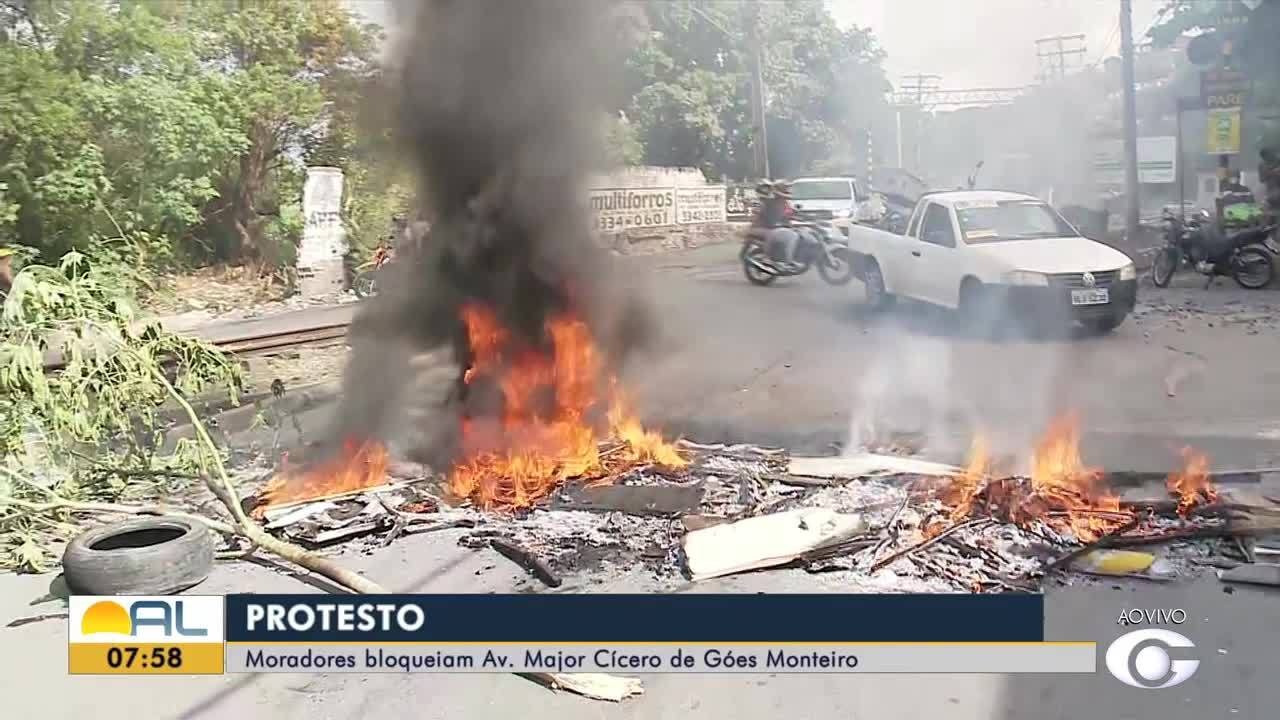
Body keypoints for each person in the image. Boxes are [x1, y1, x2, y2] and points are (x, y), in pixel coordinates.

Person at [751, 180, 799, 266]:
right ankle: (767, 258)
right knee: (773, 234)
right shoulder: (772, 200)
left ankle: (791, 257)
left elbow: (788, 214)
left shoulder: (783, 202)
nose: (788, 189)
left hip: (775, 226)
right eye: (786, 187)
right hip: (763, 227)